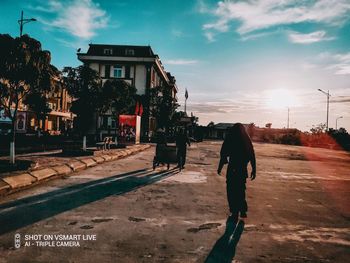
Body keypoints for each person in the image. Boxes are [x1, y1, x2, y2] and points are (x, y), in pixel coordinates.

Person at [217, 123, 256, 221]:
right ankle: (242, 211)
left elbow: (223, 153)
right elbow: (252, 154)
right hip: (242, 169)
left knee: (231, 190)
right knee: (241, 189)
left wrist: (220, 167)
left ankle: (234, 212)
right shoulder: (246, 140)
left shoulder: (230, 138)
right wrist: (254, 169)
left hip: (233, 168)